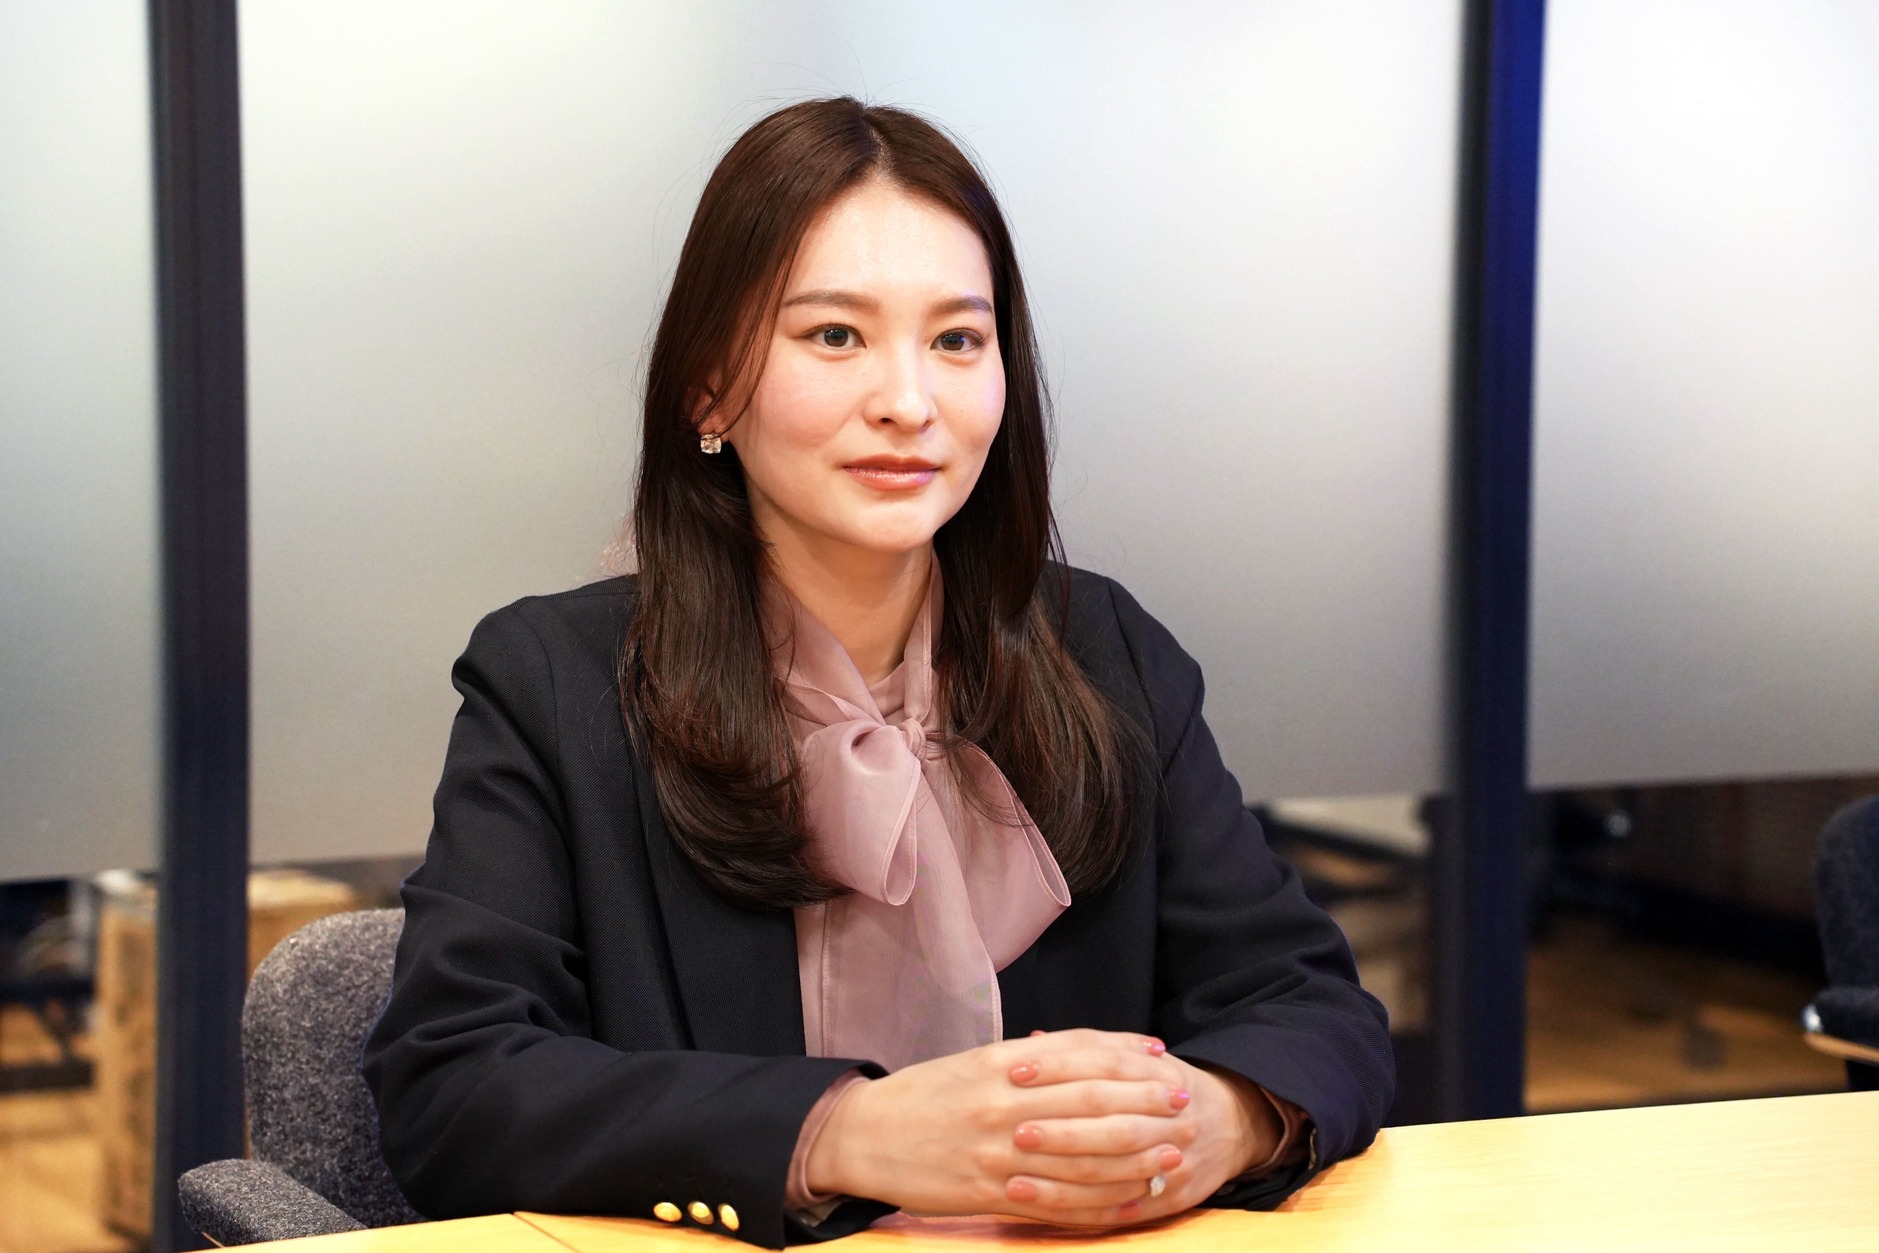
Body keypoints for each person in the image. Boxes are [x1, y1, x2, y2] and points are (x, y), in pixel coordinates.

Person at [364, 97, 1393, 1250]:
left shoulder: (1103, 651)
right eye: (834, 336)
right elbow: (454, 1081)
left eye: (956, 341)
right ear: (708, 386)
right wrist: (840, 1131)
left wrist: (1226, 1116)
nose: (909, 402)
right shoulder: (555, 683)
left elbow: (1311, 1004)